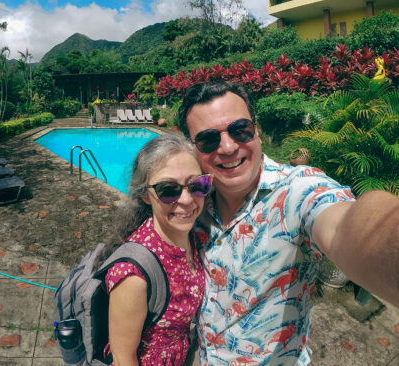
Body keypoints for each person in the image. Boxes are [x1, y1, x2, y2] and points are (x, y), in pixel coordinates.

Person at [177, 81, 399, 365]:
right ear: (193, 148)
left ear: (256, 130)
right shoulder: (193, 201)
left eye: (239, 129)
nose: (228, 147)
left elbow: (345, 224)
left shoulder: (296, 191)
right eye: (208, 139)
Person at [95, 134, 212, 365]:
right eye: (168, 190)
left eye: (197, 185)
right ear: (144, 196)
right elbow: (123, 357)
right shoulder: (133, 275)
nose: (187, 200)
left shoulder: (192, 235)